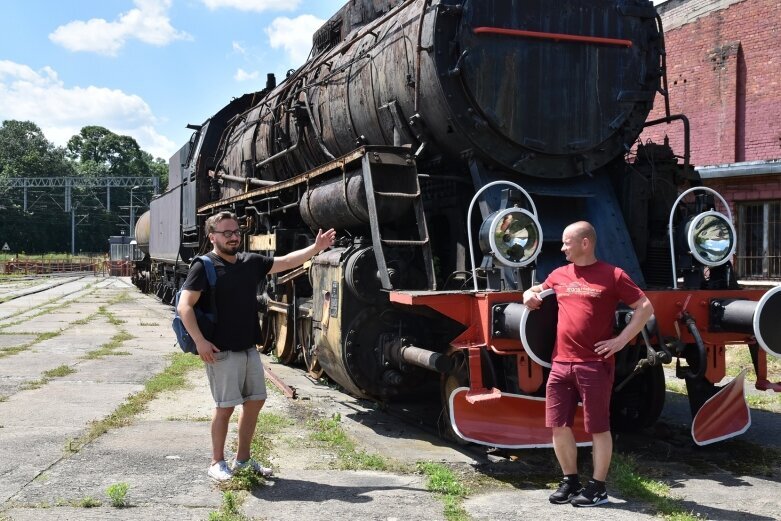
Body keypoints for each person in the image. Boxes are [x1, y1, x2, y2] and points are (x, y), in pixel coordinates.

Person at [177, 211, 336, 482]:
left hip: (248, 348)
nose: (233, 237)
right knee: (225, 407)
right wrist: (200, 341)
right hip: (220, 350)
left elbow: (285, 261)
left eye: (236, 232)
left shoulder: (250, 262)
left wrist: (316, 248)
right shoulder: (204, 266)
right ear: (212, 236)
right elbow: (185, 306)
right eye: (226, 233)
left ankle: (243, 460)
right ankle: (216, 462)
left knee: (255, 401)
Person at [522, 221, 653, 507]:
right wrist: (527, 296)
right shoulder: (558, 274)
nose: (562, 247)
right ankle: (570, 481)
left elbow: (644, 307)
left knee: (598, 428)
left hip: (594, 364)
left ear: (585, 243)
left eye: (567, 242)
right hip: (560, 364)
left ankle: (598, 488)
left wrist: (620, 340)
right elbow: (536, 290)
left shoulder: (613, 275)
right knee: (558, 425)